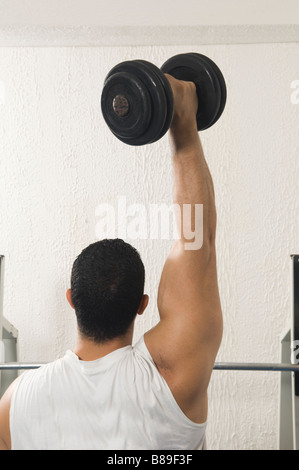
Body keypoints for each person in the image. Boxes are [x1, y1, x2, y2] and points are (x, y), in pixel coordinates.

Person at [0, 74, 223, 450]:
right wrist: (183, 126)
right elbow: (197, 241)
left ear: (71, 298)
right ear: (142, 306)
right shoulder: (170, 375)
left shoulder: (16, 403)